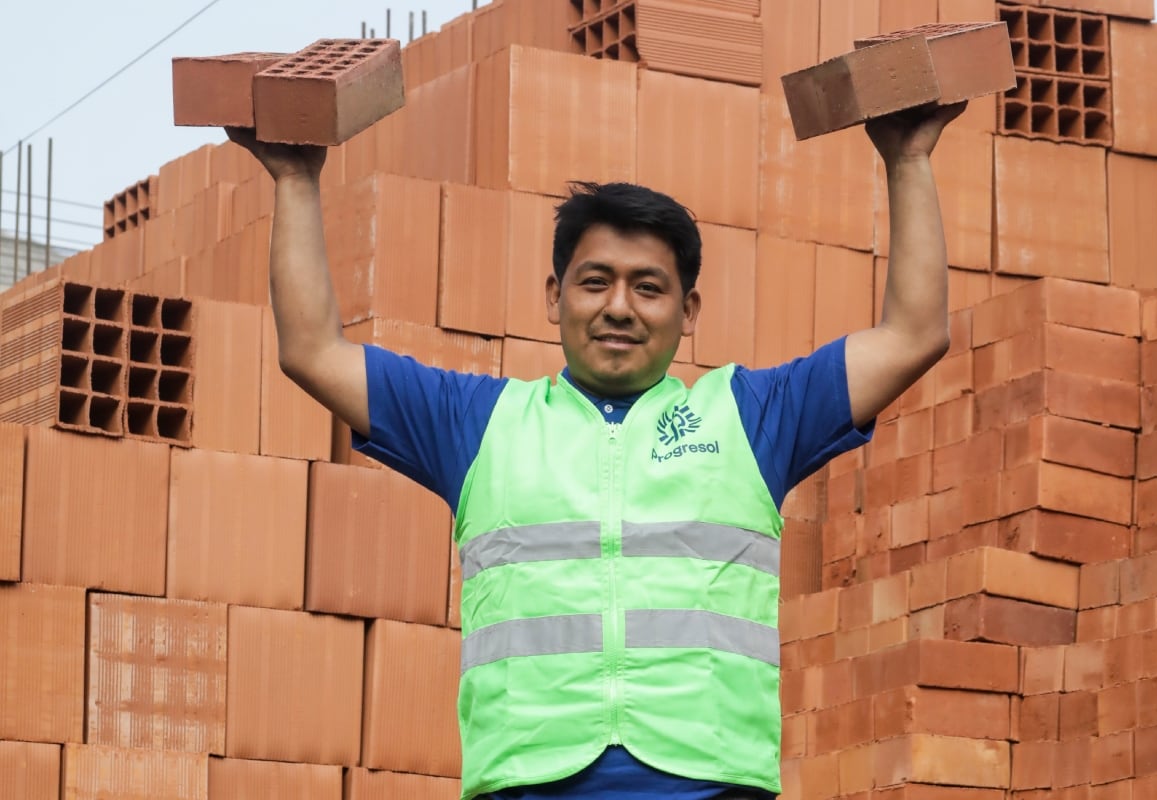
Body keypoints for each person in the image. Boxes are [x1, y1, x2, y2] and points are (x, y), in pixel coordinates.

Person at [226, 96, 965, 800]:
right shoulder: (481, 424)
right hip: (528, 780)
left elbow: (913, 335)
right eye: (595, 282)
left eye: (648, 287)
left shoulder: (752, 416)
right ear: (554, 297)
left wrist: (908, 158)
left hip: (707, 783)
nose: (618, 306)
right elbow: (313, 352)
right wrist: (295, 177)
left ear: (688, 311)